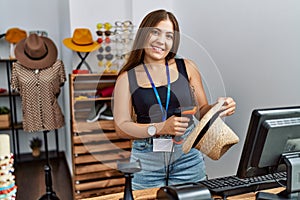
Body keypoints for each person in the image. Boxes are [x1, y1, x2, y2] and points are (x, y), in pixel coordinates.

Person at [113, 9, 236, 190]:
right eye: (155, 32)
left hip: (187, 155)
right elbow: (121, 127)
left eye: (169, 36)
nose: (161, 41)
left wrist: (219, 107)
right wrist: (161, 127)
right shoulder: (126, 78)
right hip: (147, 159)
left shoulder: (187, 67)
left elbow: (202, 110)